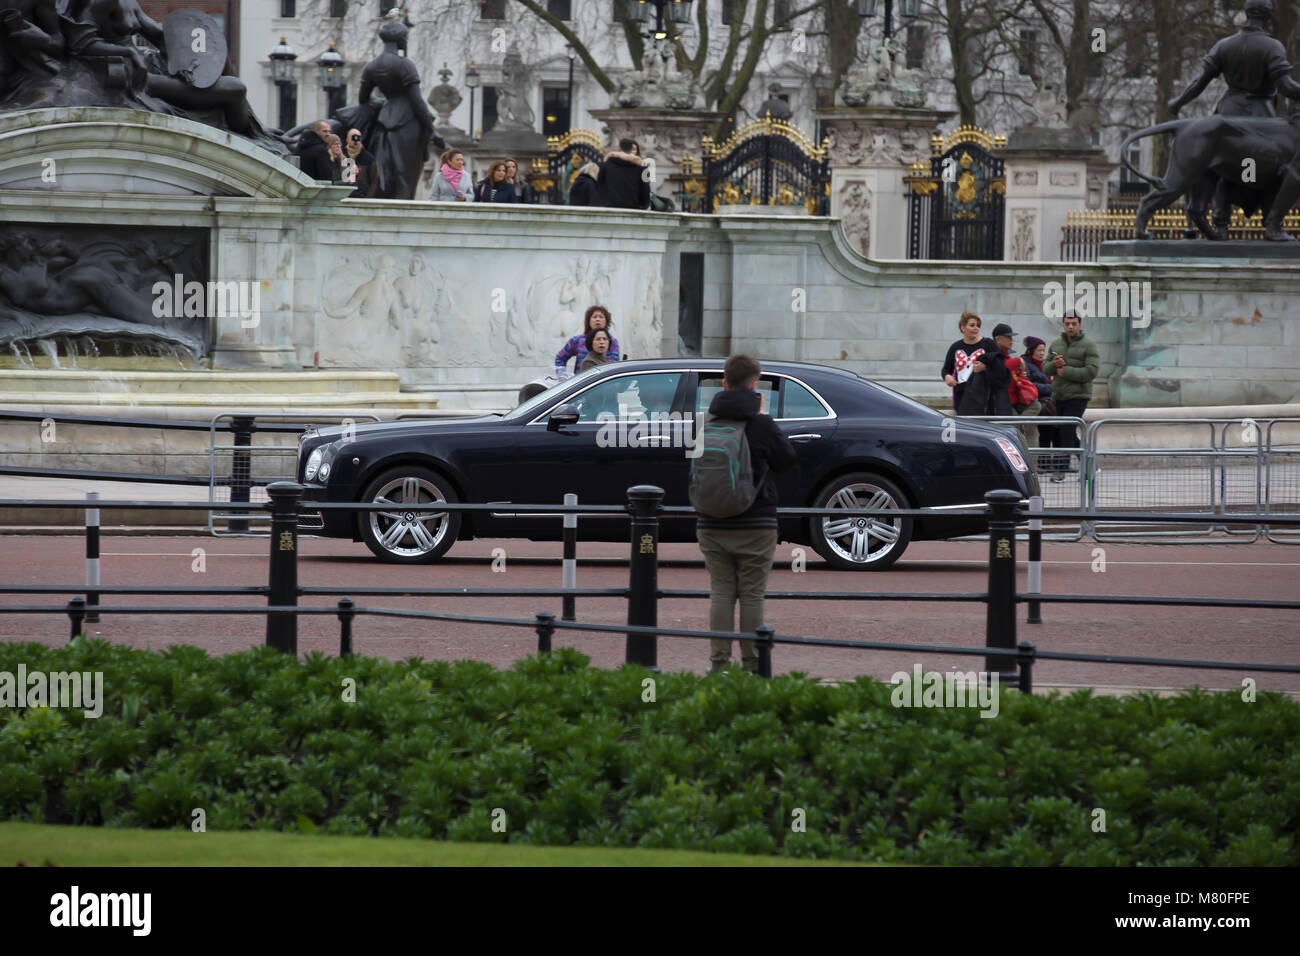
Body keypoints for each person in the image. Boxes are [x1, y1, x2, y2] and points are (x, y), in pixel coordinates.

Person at [693, 354, 798, 673]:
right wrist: (764, 417)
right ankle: (753, 666)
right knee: (752, 594)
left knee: (721, 592)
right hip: (756, 521)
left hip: (711, 521)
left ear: (723, 384)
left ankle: (719, 665)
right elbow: (787, 462)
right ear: (755, 386)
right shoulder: (761, 422)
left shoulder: (707, 420)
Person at [1045, 311, 1100, 479]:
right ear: (1063, 324)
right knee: (1066, 431)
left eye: (1074, 323)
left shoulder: (1089, 345)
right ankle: (1092, 464)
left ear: (1079, 324)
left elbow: (1092, 371)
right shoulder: (1056, 344)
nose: (1070, 326)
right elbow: (1045, 368)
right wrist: (1054, 365)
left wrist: (1065, 371)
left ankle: (1060, 470)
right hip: (1059, 395)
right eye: (1067, 323)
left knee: (1066, 430)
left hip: (1078, 395)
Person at [940, 310, 1009, 416]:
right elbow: (945, 369)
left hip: (983, 397)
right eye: (972, 325)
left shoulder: (988, 344)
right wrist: (947, 377)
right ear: (963, 328)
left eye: (978, 325)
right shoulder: (955, 347)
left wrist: (985, 367)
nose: (976, 328)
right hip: (961, 397)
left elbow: (1001, 367)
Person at [1022, 335, 1057, 473]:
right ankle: (1044, 462)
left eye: (1044, 350)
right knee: (1046, 431)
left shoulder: (1042, 365)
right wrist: (1051, 387)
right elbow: (1029, 384)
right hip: (1038, 402)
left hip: (1047, 402)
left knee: (1048, 431)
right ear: (1031, 351)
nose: (1042, 353)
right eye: (1039, 350)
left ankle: (1046, 461)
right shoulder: (1026, 364)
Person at [555, 305, 620, 378]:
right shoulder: (577, 340)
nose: (597, 319)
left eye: (601, 317)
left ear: (606, 321)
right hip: (582, 383)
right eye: (594, 317)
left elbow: (614, 366)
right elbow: (560, 358)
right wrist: (562, 376)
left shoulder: (612, 341)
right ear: (588, 321)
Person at [596, 137, 651, 210]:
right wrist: (642, 206)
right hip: (633, 209)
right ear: (631, 149)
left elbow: (599, 187)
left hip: (609, 208)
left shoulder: (606, 165)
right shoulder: (642, 168)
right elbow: (646, 191)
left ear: (619, 149)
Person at [345, 128, 376, 198]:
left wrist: (368, 198)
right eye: (353, 138)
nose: (356, 141)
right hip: (344, 195)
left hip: (361, 196)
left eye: (358, 138)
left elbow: (374, 181)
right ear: (347, 139)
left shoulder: (369, 158)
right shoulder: (341, 156)